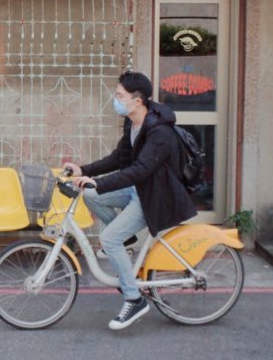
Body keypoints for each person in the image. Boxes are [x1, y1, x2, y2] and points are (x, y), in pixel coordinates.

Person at [64, 71, 196, 331]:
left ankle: (134, 299)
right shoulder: (132, 123)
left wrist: (100, 182)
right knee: (90, 195)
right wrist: (84, 170)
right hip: (140, 189)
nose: (115, 99)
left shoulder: (160, 133)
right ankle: (126, 242)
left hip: (156, 196)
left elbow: (139, 170)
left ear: (137, 101)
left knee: (108, 238)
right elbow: (119, 158)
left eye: (119, 96)